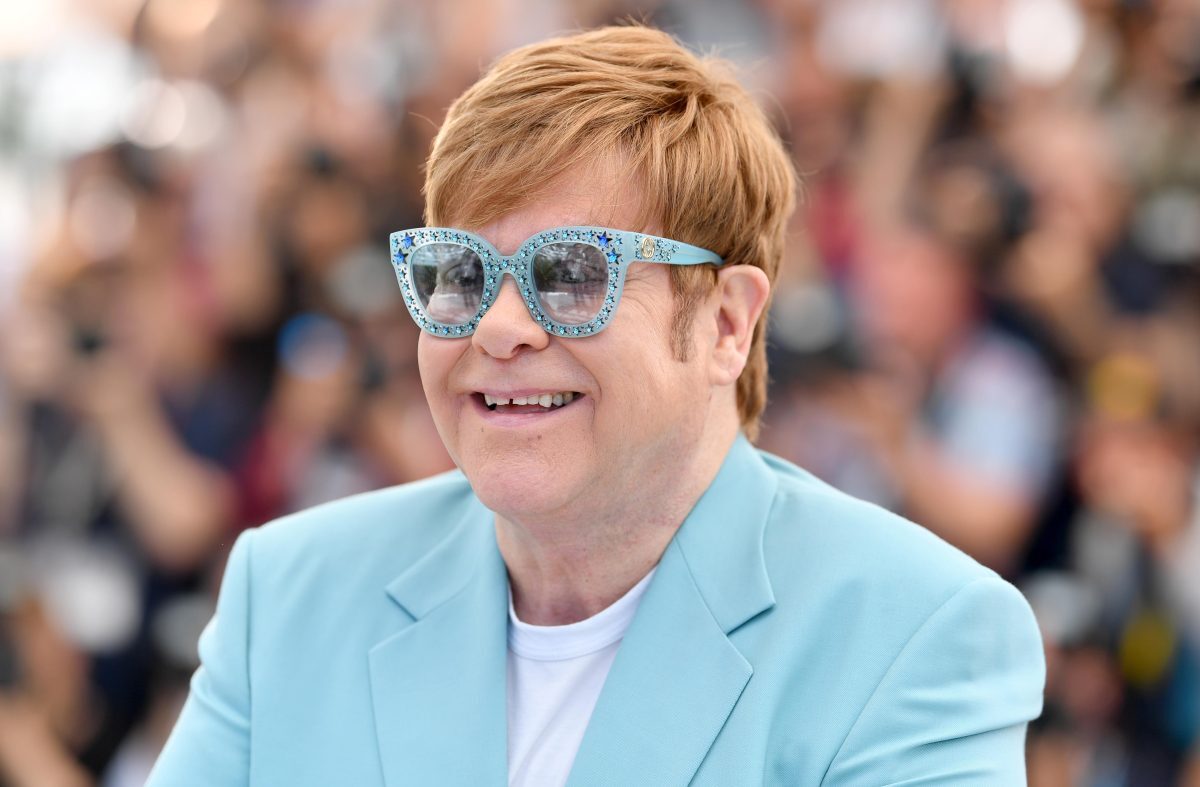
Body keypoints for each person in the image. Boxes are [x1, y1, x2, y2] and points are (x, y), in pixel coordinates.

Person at [147, 25, 1045, 786]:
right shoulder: (289, 592)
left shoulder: (919, 631)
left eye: (572, 273)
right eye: (457, 273)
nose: (497, 328)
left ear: (728, 322)